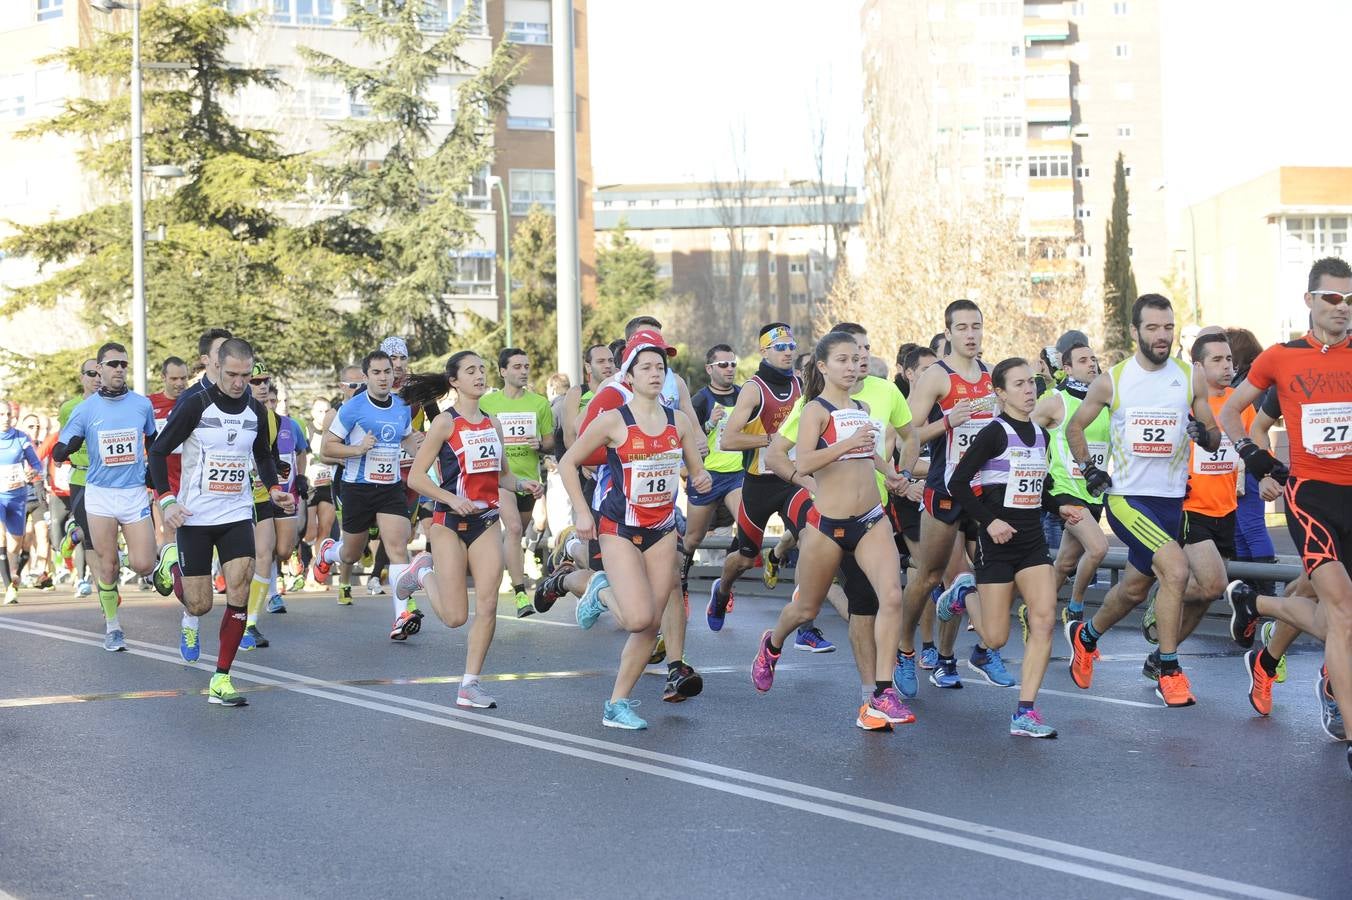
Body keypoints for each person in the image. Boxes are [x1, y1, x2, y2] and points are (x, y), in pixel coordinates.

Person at [1222, 257, 1352, 768]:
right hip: (1311, 496)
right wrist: (1257, 460)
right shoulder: (1281, 358)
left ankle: (1257, 608)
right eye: (1333, 298)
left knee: (1319, 601)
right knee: (1341, 611)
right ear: (1311, 301)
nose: (1343, 308)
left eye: (1350, 299)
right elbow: (1234, 410)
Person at [1064, 294, 1223, 707]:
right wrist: (1089, 470)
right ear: (1135, 332)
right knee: (1174, 568)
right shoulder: (1113, 380)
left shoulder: (1190, 377)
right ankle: (1168, 668)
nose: (1162, 336)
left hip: (1171, 501)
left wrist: (1203, 436)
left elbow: (1214, 435)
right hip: (1127, 499)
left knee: (1134, 590)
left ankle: (1087, 636)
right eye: (1152, 328)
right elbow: (1075, 427)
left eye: (1168, 328)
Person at [558, 330, 712, 730]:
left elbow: (696, 471)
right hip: (618, 528)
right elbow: (568, 462)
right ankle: (600, 589)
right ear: (628, 376)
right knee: (636, 618)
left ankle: (617, 704)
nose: (655, 373)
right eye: (646, 367)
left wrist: (701, 479)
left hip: (660, 529)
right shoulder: (613, 420)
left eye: (660, 367)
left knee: (651, 620)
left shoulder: (677, 421)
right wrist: (580, 510)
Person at [150, 337, 293, 705]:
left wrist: (274, 486)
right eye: (231, 374)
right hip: (195, 516)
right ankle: (170, 565)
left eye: (246, 375)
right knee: (199, 605)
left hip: (236, 513)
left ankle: (222, 679)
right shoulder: (194, 404)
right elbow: (159, 452)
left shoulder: (256, 411)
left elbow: (262, 454)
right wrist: (166, 500)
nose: (238, 382)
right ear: (216, 367)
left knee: (239, 591)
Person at [400, 351, 544, 709]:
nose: (479, 376)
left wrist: (523, 484)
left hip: (485, 522)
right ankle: (423, 573)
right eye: (470, 371)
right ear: (454, 382)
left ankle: (470, 684)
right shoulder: (445, 424)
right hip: (448, 523)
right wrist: (449, 497)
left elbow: (500, 475)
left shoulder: (493, 424)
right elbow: (417, 478)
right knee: (454, 617)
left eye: (481, 369)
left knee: (490, 602)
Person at [949, 358, 1084, 737]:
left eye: (1032, 383)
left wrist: (1060, 507)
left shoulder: (1040, 435)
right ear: (1001, 393)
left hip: (1031, 543)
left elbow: (1036, 490)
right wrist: (989, 522)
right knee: (995, 638)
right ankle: (963, 592)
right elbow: (958, 483)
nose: (1030, 391)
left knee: (1042, 620)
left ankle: (1025, 712)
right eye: (1020, 384)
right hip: (996, 544)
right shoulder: (994, 433)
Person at [897, 300, 998, 696]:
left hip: (984, 489)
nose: (971, 334)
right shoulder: (937, 377)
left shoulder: (992, 375)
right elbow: (907, 433)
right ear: (949, 332)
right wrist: (947, 421)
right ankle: (906, 649)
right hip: (944, 487)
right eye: (963, 328)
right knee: (930, 576)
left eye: (977, 326)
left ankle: (952, 655)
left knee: (978, 575)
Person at [51, 343, 159, 651]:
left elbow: (154, 440)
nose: (120, 369)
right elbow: (64, 442)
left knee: (142, 563)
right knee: (108, 565)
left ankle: (146, 558)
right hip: (99, 494)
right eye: (113, 364)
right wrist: (65, 449)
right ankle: (113, 627)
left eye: (124, 364)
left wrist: (155, 471)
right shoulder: (85, 408)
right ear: (100, 369)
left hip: (133, 492)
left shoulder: (141, 404)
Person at [314, 350, 425, 639]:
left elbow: (408, 441)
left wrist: (425, 454)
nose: (383, 377)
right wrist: (357, 449)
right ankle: (328, 551)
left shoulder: (401, 407)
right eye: (376, 373)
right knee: (350, 553)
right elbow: (327, 448)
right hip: (357, 487)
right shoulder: (352, 408)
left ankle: (401, 615)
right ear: (366, 377)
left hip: (389, 488)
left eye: (387, 372)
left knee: (397, 547)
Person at [705, 323, 802, 629]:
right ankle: (721, 591)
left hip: (791, 480)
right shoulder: (753, 389)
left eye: (791, 346)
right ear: (764, 352)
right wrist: (769, 440)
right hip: (758, 484)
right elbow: (728, 440)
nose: (787, 353)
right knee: (746, 558)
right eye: (780, 348)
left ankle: (805, 622)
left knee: (813, 538)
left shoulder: (801, 385)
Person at [1030, 341, 1108, 628]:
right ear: (1067, 368)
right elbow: (1022, 430)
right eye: (1083, 360)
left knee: (1064, 563)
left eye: (1093, 358)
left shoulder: (1105, 400)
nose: (1092, 364)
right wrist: (1039, 470)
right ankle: (1075, 609)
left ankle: (1033, 610)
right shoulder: (1055, 400)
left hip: (1094, 492)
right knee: (1098, 549)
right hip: (1064, 489)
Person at [480, 347, 555, 617]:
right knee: (512, 528)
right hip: (499, 479)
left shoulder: (539, 404)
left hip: (529, 481)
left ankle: (499, 561)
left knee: (518, 532)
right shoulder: (487, 404)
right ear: (503, 371)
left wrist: (541, 444)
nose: (523, 371)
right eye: (517, 367)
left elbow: (550, 441)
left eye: (526, 366)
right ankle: (521, 593)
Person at [679, 344, 743, 609]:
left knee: (750, 529)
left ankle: (726, 585)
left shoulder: (743, 395)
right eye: (723, 365)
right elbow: (687, 439)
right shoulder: (700, 400)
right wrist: (708, 424)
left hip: (737, 475)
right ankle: (681, 582)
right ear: (710, 369)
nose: (730, 369)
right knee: (693, 537)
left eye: (732, 364)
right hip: (707, 475)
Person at [57, 358, 102, 597]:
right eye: (91, 373)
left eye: (99, 373)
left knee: (102, 534)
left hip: (107, 480)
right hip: (80, 478)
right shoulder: (68, 408)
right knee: (93, 536)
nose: (96, 378)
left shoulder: (111, 405)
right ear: (81, 377)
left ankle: (74, 534)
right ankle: (106, 590)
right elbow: (63, 441)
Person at [1, 401, 44, 604]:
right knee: (0, 535)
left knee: (15, 543)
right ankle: (8, 584)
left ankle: (13, 578)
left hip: (17, 496)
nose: (5, 418)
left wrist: (33, 471)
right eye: (1, 414)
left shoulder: (21, 438)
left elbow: (36, 464)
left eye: (8, 414)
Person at [148, 356, 189, 547]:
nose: (179, 383)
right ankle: (171, 576)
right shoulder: (150, 404)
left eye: (183, 378)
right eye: (174, 379)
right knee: (167, 534)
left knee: (192, 534)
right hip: (164, 480)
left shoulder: (193, 402)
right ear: (163, 377)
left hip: (191, 479)